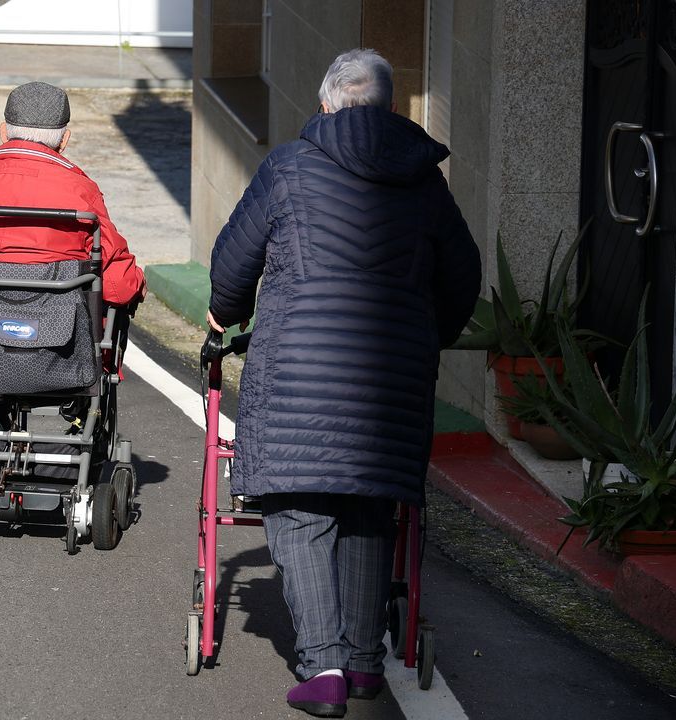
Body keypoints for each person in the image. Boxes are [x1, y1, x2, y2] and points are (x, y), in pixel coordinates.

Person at [207, 49, 481, 718]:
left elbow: (234, 263)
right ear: (391, 108)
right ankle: (363, 666)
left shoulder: (290, 167)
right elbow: (463, 277)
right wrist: (427, 335)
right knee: (368, 511)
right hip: (392, 379)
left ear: (327, 103)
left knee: (300, 511)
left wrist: (222, 318)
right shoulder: (425, 182)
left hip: (297, 375)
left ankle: (322, 665)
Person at [0, 81, 146, 320]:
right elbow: (118, 282)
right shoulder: (81, 191)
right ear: (64, 140)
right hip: (59, 328)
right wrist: (137, 282)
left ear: (3, 132)